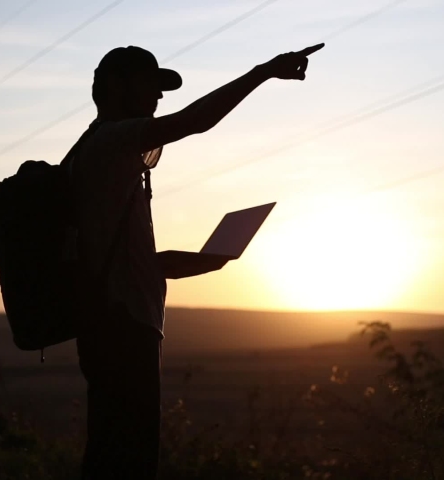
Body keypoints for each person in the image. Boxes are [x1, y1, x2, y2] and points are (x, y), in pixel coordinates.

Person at [67, 43, 324, 479]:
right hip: (122, 327)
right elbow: (194, 122)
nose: (158, 98)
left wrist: (199, 262)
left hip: (118, 325)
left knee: (115, 455)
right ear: (115, 86)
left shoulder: (101, 155)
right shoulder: (110, 141)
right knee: (127, 460)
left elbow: (127, 261)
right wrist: (262, 70)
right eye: (150, 85)